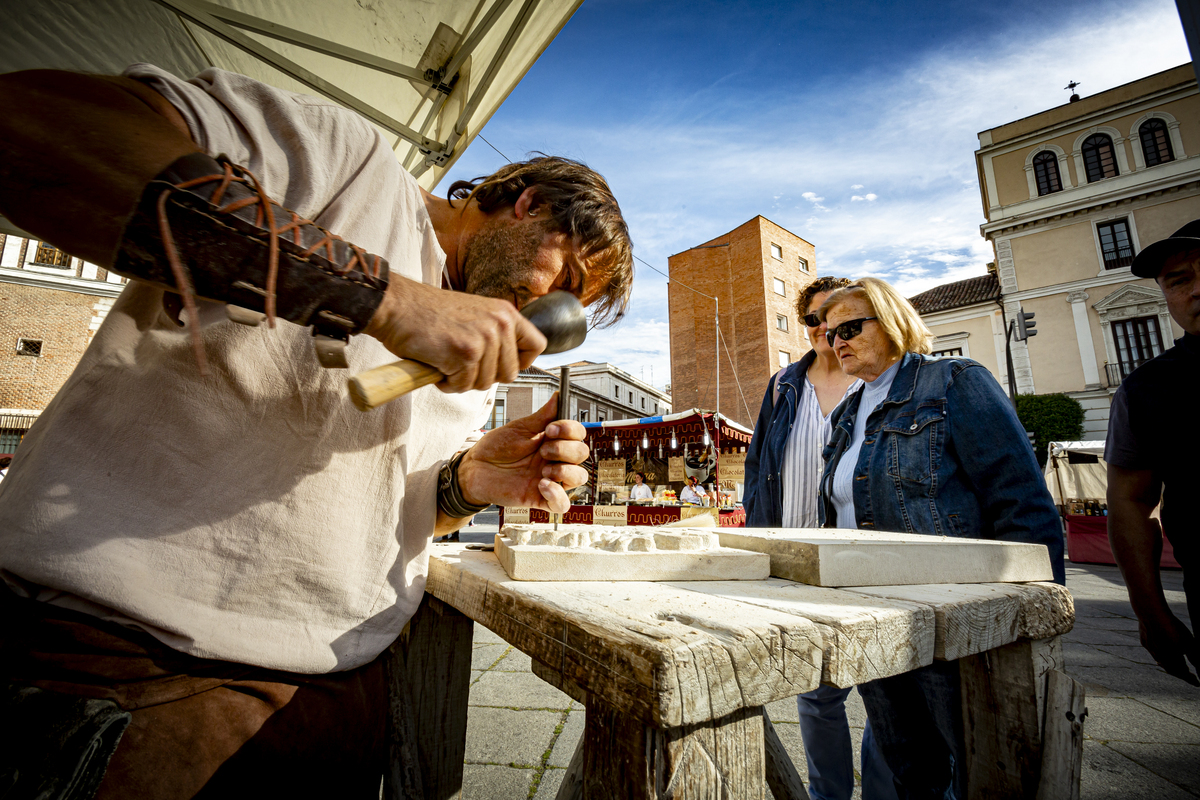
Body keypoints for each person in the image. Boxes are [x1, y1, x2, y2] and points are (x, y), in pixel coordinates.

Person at [0, 65, 633, 797]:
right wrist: (387, 299)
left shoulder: (476, 347)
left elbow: (365, 512)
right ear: (527, 204)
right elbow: (34, 123)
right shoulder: (348, 162)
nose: (543, 313)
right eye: (562, 279)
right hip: (128, 667)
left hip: (338, 699)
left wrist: (464, 485)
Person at [816, 277, 1064, 800]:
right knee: (911, 769)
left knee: (984, 768)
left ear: (892, 321)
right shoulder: (844, 415)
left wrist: (1038, 615)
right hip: (870, 618)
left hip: (951, 620)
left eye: (850, 327)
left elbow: (1020, 500)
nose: (835, 339)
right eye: (827, 329)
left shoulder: (954, 382)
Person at [744, 276, 894, 800]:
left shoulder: (876, 380)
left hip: (865, 557)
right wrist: (759, 542)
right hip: (798, 559)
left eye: (837, 323)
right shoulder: (784, 383)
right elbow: (759, 462)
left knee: (885, 691)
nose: (823, 332)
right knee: (817, 691)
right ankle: (827, 795)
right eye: (812, 321)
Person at [1105, 219, 1200, 686]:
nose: (1197, 291)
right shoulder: (1147, 390)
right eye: (1179, 280)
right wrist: (1150, 611)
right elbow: (1130, 501)